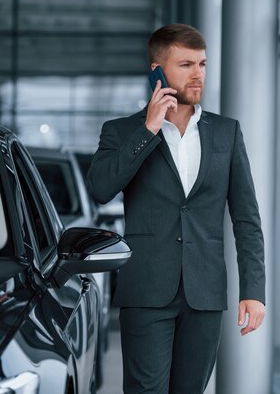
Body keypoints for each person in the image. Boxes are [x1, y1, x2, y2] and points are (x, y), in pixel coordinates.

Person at [87, 23, 266, 394]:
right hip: (146, 290)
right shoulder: (121, 132)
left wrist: (254, 290)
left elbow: (246, 218)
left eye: (201, 64)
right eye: (185, 65)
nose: (197, 73)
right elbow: (101, 189)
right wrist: (147, 131)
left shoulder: (226, 133)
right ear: (157, 69)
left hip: (205, 294)